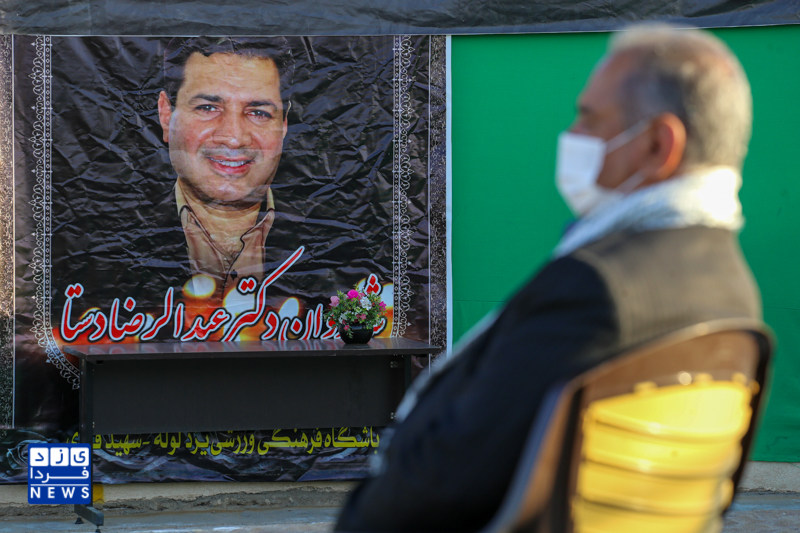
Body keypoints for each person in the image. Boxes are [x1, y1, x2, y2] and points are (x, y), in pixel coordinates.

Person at [335, 25, 761, 532]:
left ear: (656, 144)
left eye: (589, 116)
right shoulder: (733, 291)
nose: (572, 135)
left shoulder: (594, 290)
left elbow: (444, 479)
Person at [157, 36, 294, 301]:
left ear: (284, 124)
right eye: (208, 108)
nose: (234, 138)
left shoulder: (344, 247)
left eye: (259, 113)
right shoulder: (95, 245)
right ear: (166, 115)